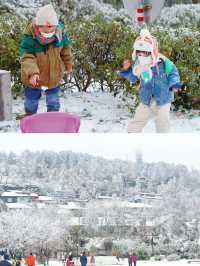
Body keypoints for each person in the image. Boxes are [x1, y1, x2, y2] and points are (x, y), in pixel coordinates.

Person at [118, 29, 183, 133]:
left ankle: (163, 140)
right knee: (139, 119)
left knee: (163, 121)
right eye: (139, 52)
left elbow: (173, 72)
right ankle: (132, 137)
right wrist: (126, 70)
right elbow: (134, 77)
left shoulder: (163, 62)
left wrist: (174, 84)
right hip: (146, 98)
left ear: (152, 51)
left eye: (144, 52)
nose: (141, 55)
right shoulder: (138, 65)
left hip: (163, 97)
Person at [19, 4, 74, 119]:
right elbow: (27, 56)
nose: (49, 32)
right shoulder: (30, 37)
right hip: (34, 78)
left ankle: (52, 117)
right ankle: (30, 116)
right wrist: (32, 73)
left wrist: (69, 64)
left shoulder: (60, 34)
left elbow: (66, 50)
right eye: (45, 29)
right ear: (38, 26)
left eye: (52, 29)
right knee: (31, 100)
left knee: (53, 100)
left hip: (53, 75)